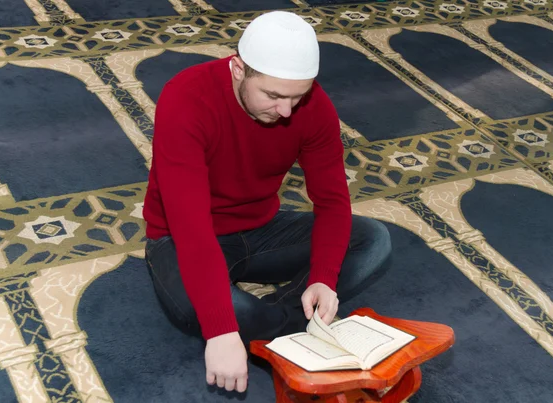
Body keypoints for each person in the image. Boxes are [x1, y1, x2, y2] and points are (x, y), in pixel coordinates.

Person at [142, 10, 392, 395]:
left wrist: (324, 277)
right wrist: (223, 330)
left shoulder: (314, 108)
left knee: (373, 241)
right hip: (179, 236)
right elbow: (191, 229)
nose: (286, 111)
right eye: (273, 95)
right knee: (215, 313)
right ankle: (286, 325)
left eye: (298, 96)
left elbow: (332, 201)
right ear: (238, 68)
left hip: (262, 229)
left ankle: (272, 321)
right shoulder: (186, 99)